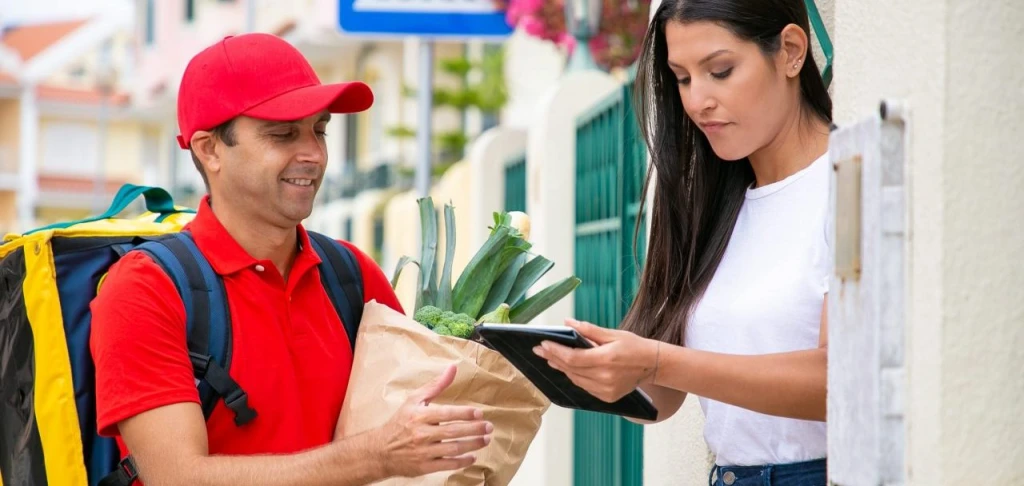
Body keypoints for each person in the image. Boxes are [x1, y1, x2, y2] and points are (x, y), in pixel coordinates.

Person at [90, 33, 491, 485]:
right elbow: (179, 477)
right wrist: (376, 458)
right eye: (283, 134)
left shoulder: (352, 275)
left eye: (319, 130)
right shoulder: (144, 290)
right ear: (209, 149)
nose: (314, 155)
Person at [532, 0, 832, 485]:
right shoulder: (711, 202)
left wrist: (656, 359)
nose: (697, 102)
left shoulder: (845, 180)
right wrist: (604, 371)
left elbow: (837, 384)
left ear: (791, 52)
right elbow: (660, 402)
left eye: (720, 70)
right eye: (683, 78)